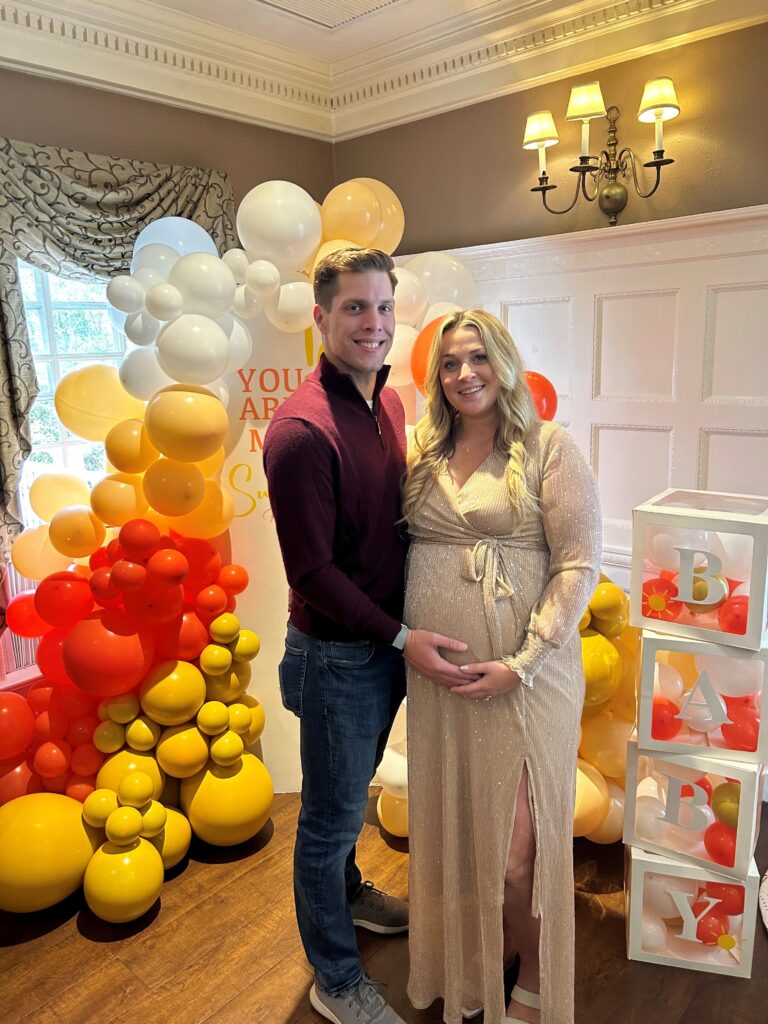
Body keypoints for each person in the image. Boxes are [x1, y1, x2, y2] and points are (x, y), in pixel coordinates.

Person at [263, 247, 472, 1024]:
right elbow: (313, 571)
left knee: (345, 807)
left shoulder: (386, 403)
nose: (374, 325)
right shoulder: (299, 434)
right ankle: (336, 976)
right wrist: (399, 637)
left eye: (383, 308)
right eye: (354, 308)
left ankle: (349, 898)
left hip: (382, 649)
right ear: (319, 318)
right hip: (338, 658)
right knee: (327, 822)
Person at [402, 309, 602, 1024]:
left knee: (518, 850)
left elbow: (579, 564)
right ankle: (487, 957)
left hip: (527, 678)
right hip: (440, 684)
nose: (464, 374)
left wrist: (524, 662)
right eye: (450, 364)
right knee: (464, 838)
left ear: (504, 362)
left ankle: (538, 980)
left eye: (477, 357)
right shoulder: (421, 447)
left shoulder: (551, 447)